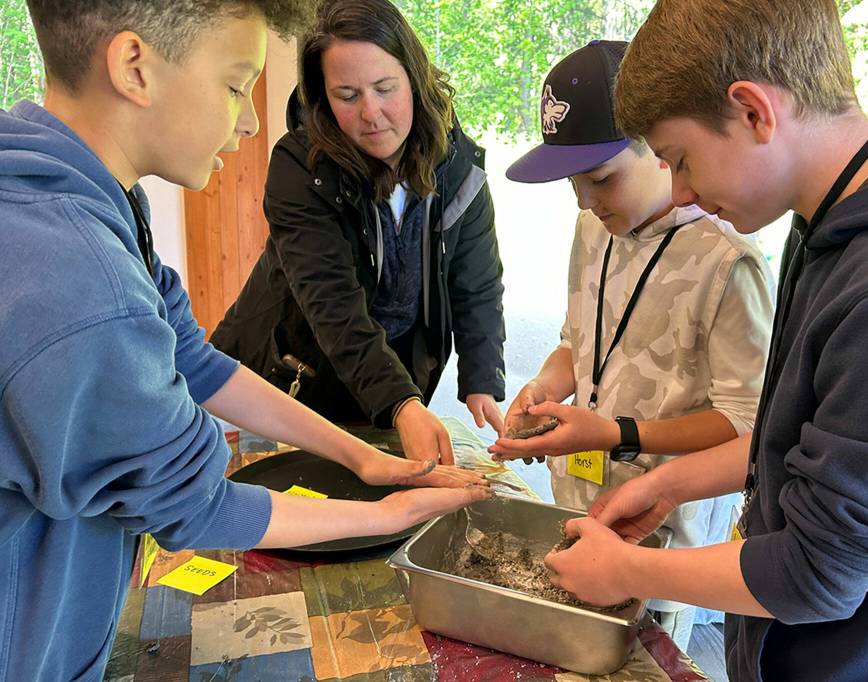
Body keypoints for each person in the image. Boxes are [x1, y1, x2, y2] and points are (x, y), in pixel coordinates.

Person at [0, 2, 492, 680]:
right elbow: (195, 504)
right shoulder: (82, 284)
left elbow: (194, 360)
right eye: (236, 84)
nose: (252, 118)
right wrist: (391, 512)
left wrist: (361, 457)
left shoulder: (81, 196)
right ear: (134, 67)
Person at [543, 1, 868, 681]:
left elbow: (818, 571)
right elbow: (807, 439)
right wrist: (675, 483)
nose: (678, 193)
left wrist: (627, 568)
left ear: (752, 111)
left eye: (679, 160)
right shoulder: (842, 215)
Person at [488, 41, 774, 674]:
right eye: (573, 185)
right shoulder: (594, 227)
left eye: (601, 178)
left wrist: (619, 432)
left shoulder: (728, 259)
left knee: (637, 661)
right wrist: (543, 387)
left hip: (662, 533)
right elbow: (577, 342)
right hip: (579, 495)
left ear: (661, 146)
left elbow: (748, 424)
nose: (586, 201)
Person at [211, 0, 506, 465]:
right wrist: (402, 404)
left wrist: (482, 378)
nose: (371, 114)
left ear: (415, 79)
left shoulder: (457, 165)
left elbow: (477, 283)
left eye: (385, 88)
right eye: (347, 96)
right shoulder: (299, 168)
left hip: (390, 378)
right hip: (290, 376)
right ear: (323, 97)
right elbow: (333, 308)